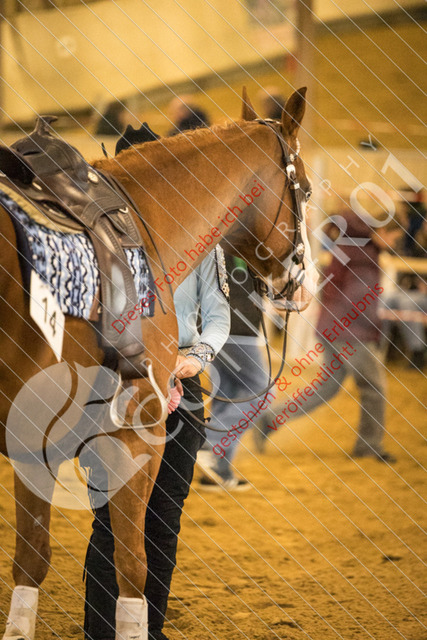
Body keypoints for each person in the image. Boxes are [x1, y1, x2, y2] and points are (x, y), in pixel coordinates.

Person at [83, 125, 230, 640]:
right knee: (112, 519)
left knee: (164, 517)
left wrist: (196, 356)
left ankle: (150, 629)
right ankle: (101, 631)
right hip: (117, 385)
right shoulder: (95, 242)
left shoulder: (202, 241)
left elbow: (218, 315)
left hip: (181, 387)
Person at [256, 209, 401, 462]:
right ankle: (369, 445)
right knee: (374, 388)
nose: (394, 244)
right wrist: (372, 331)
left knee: (328, 387)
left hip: (335, 327)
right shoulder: (363, 255)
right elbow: (359, 301)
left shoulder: (353, 246)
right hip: (351, 332)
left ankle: (270, 419)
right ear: (382, 231)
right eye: (394, 237)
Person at [196, 253, 271, 490]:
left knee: (228, 396)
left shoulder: (225, 244)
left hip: (219, 327)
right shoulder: (234, 243)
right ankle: (208, 444)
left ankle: (217, 470)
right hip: (235, 328)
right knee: (262, 392)